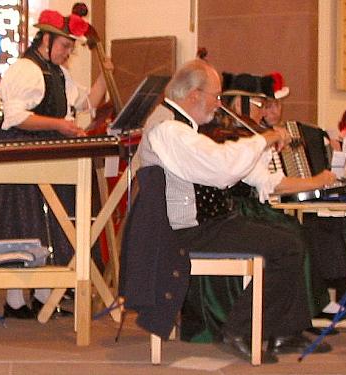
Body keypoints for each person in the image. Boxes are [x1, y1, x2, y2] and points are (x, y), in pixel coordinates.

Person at [120, 59, 334, 364]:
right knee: (287, 245)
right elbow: (220, 170)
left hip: (202, 225)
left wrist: (258, 148)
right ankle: (240, 330)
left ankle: (279, 331)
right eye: (215, 96)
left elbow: (232, 170)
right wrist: (263, 139)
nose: (218, 104)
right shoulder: (167, 129)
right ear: (194, 94)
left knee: (289, 236)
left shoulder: (181, 126)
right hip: (184, 231)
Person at [179, 71, 337, 342]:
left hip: (239, 210)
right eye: (256, 104)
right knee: (287, 236)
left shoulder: (248, 135)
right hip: (226, 212)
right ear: (237, 102)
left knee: (292, 234)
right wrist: (315, 181)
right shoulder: (222, 137)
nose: (261, 111)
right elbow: (260, 181)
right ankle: (254, 326)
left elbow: (262, 179)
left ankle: (285, 328)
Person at [0, 5, 109, 319]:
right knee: (24, 221)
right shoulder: (26, 69)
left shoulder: (59, 73)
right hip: (19, 151)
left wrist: (104, 75)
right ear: (44, 40)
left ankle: (45, 295)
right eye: (64, 46)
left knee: (51, 221)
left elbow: (85, 103)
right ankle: (16, 300)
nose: (67, 53)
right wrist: (58, 125)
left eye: (71, 47)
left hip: (45, 150)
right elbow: (15, 117)